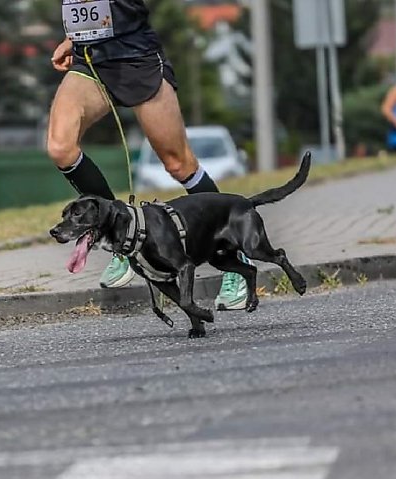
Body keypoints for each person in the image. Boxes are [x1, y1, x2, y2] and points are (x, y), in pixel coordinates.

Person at [48, 0, 249, 310]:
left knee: (178, 163)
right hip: (89, 61)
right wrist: (73, 38)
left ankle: (234, 254)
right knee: (61, 147)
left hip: (135, 57)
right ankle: (121, 239)